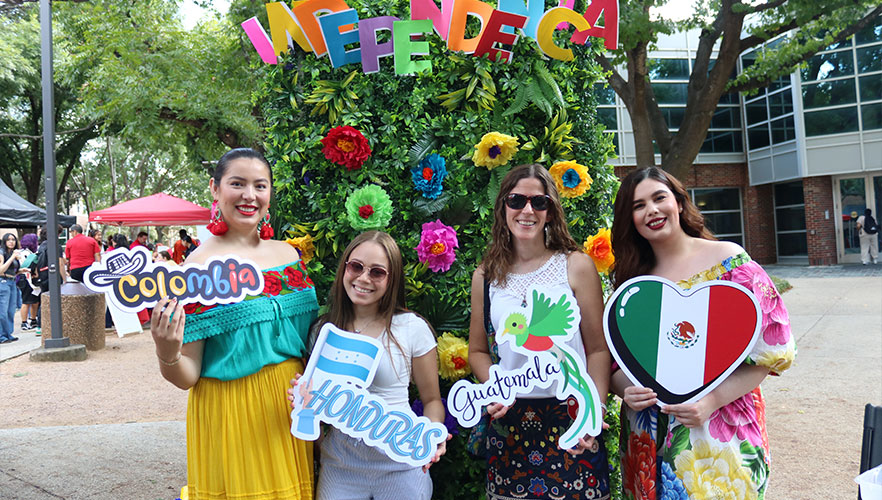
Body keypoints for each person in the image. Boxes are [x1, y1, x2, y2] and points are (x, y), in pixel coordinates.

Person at [609, 167, 796, 499]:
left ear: (679, 203)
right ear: (630, 219)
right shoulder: (632, 285)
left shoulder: (730, 264)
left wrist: (710, 401)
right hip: (647, 441)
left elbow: (772, 353)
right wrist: (626, 389)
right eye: (638, 206)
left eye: (659, 198)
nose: (651, 210)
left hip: (719, 437)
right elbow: (612, 362)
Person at [149, 148, 318, 499]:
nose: (249, 195)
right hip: (233, 414)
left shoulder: (289, 254)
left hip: (290, 407)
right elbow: (188, 374)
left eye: (260, 185)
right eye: (237, 184)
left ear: (270, 192)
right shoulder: (197, 269)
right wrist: (167, 351)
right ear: (215, 188)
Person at [467, 164, 612, 500]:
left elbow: (597, 350)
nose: (527, 210)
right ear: (503, 207)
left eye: (539, 202)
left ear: (551, 210)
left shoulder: (575, 265)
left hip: (572, 415)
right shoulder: (485, 276)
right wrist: (496, 387)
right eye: (517, 200)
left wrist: (594, 411)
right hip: (510, 421)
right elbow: (477, 351)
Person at [289, 231, 448, 500]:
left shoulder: (412, 328)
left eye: (377, 272)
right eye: (356, 266)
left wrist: (432, 439)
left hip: (403, 466)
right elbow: (311, 408)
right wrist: (303, 397)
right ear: (344, 269)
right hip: (340, 469)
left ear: (392, 279)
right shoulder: (323, 331)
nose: (363, 278)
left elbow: (432, 399)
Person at [0, 233, 23, 343]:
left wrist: (21, 271)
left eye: (13, 239)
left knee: (11, 310)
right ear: (4, 242)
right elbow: (1, 270)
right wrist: (13, 257)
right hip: (3, 282)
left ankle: (8, 333)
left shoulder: (13, 253)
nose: (11, 242)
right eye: (8, 240)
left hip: (13, 282)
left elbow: (12, 270)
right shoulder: (2, 253)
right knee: (2, 311)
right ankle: (1, 335)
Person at [18, 233, 40, 331]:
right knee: (26, 301)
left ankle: (33, 320)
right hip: (25, 278)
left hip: (29, 278)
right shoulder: (24, 253)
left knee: (34, 301)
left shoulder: (28, 252)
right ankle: (24, 322)